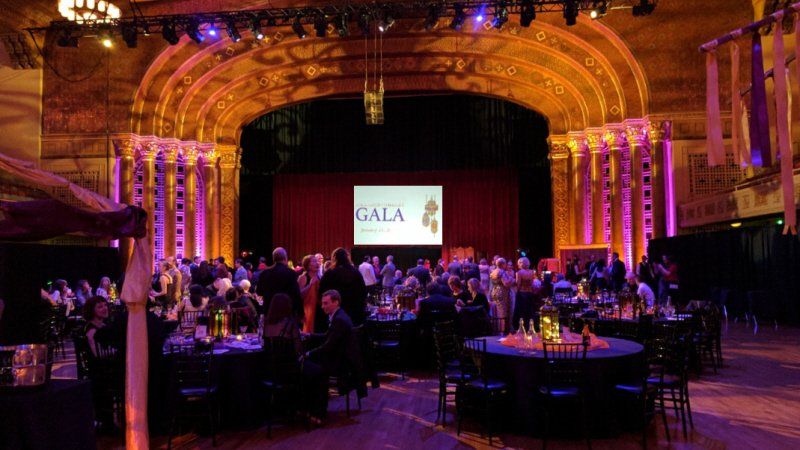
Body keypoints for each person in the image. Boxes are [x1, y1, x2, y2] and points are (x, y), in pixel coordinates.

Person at [302, 290, 359, 423]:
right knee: (311, 365)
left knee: (310, 369)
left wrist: (308, 353)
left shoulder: (339, 319)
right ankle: (314, 409)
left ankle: (315, 411)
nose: (322, 306)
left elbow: (328, 346)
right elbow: (329, 336)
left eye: (326, 303)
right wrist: (309, 335)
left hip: (342, 363)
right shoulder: (339, 315)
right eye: (322, 303)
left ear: (336, 302)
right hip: (342, 357)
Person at [319, 248, 367, 327]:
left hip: (336, 309)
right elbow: (363, 291)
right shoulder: (355, 272)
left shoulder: (330, 273)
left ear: (334, 258)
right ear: (347, 257)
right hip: (354, 309)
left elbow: (322, 291)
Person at [256, 247, 303, 318]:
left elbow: (259, 292)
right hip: (287, 312)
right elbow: (296, 294)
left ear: (273, 258)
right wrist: (301, 313)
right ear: (285, 258)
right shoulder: (291, 273)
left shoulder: (264, 273)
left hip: (269, 312)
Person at [489, 258, 514, 333]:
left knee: (497, 311)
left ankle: (498, 329)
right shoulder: (502, 272)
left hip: (494, 291)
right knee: (503, 312)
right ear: (503, 264)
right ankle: (503, 331)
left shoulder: (493, 272)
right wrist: (512, 280)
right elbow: (506, 283)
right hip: (502, 292)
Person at [298, 254, 321, 333]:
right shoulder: (303, 277)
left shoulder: (318, 277)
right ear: (308, 265)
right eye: (314, 261)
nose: (317, 263)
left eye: (317, 261)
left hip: (318, 311)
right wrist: (310, 285)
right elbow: (299, 295)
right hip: (307, 312)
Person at [513, 257, 536, 326]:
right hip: (530, 293)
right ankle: (530, 326)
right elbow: (532, 283)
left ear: (520, 264)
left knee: (521, 311)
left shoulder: (519, 273)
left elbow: (518, 284)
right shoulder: (532, 272)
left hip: (522, 293)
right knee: (529, 311)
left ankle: (522, 326)